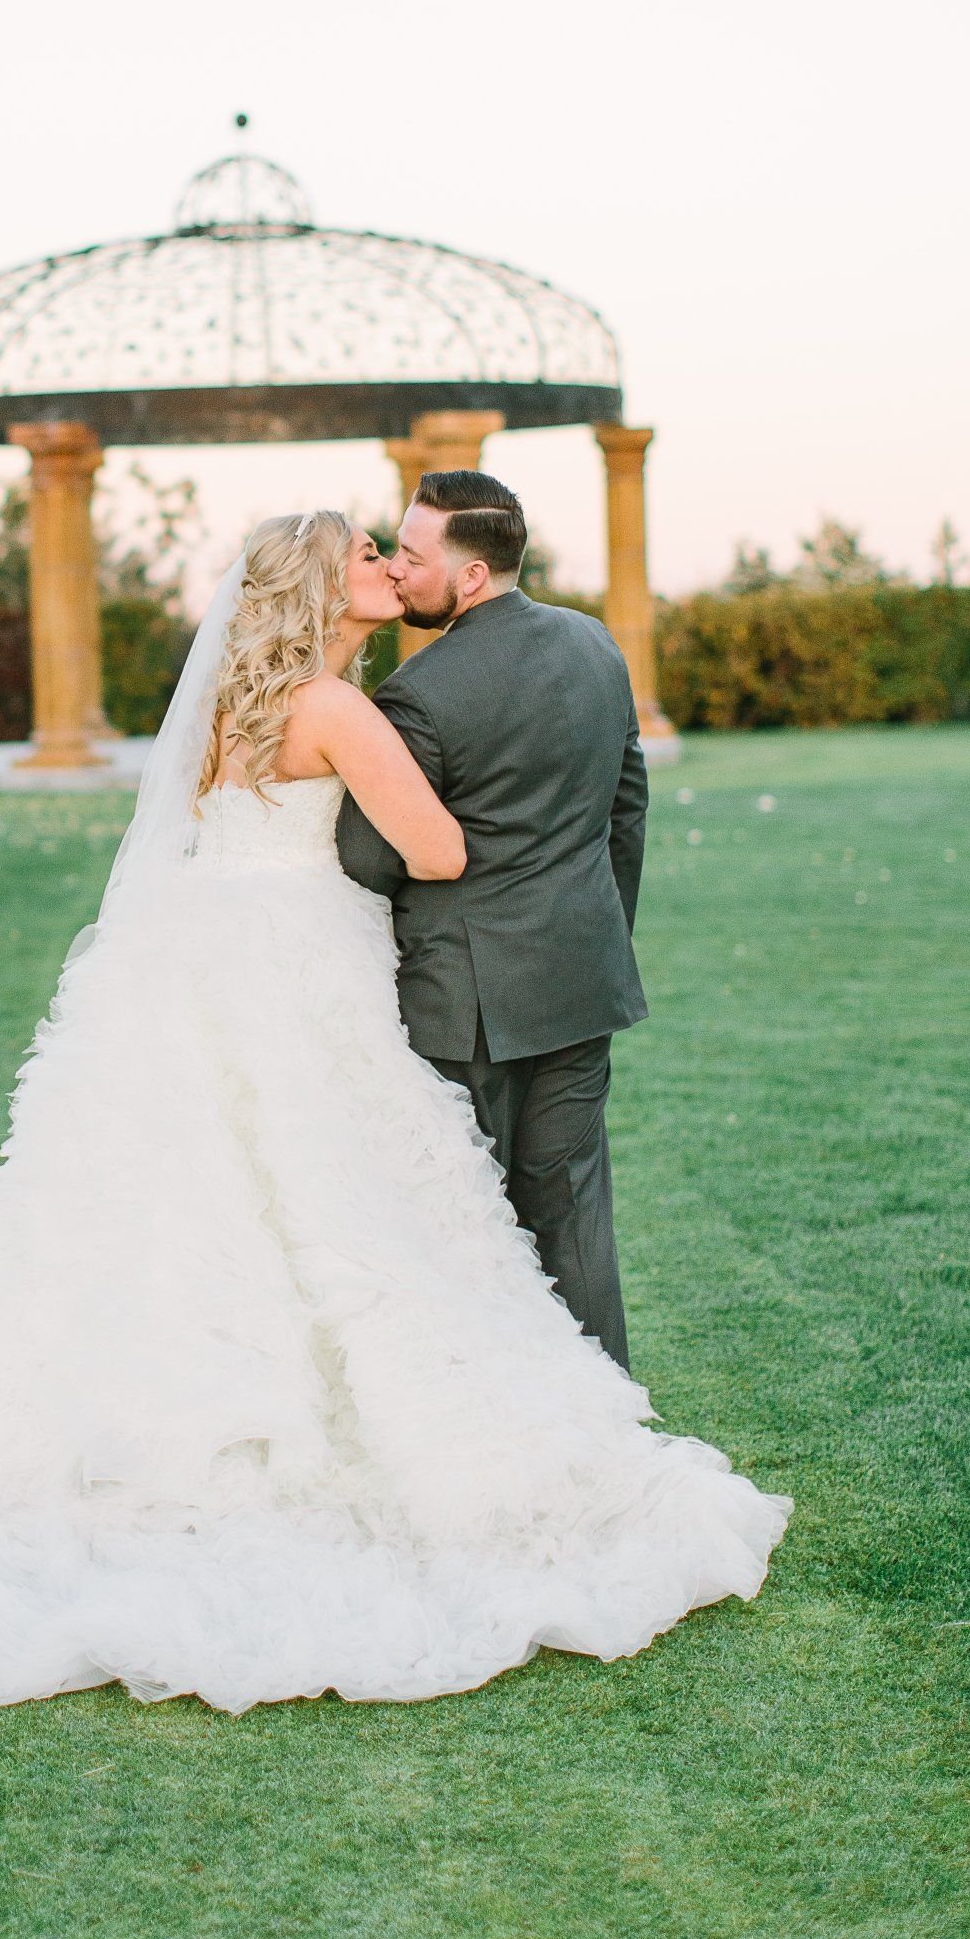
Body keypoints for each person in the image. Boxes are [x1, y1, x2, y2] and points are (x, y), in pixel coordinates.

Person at [0, 511, 788, 1712]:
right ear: (324, 588)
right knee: (334, 1192)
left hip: (198, 961)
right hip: (304, 965)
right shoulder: (339, 709)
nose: (385, 565)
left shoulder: (221, 710)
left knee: (178, 1194)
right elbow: (438, 853)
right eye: (366, 556)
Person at [336, 469, 645, 1369]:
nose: (398, 570)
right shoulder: (595, 645)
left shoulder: (419, 694)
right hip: (582, 979)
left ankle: (490, 1411)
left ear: (470, 576)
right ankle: (605, 1412)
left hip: (461, 1003)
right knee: (573, 1213)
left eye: (412, 554)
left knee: (465, 1222)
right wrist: (599, 934)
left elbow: (367, 857)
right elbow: (626, 810)